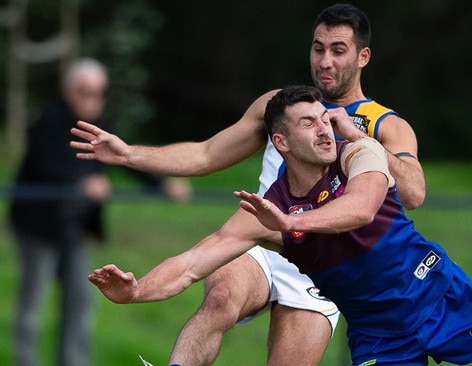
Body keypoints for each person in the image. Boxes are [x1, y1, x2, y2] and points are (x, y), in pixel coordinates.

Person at [88, 85, 472, 365]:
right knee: (220, 294)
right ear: (280, 142)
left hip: (440, 295)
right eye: (310, 123)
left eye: (327, 119)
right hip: (378, 333)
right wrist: (135, 291)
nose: (327, 128)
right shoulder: (267, 210)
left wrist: (291, 222)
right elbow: (193, 262)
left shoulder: (359, 152)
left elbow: (363, 209)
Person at [71, 4, 425, 366]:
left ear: (363, 56)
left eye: (338, 51)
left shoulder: (383, 125)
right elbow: (205, 155)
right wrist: (129, 155)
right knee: (219, 299)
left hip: (323, 269)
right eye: (318, 48)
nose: (324, 61)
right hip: (262, 241)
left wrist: (363, 142)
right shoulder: (280, 108)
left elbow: (414, 192)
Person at [8, 58, 190, 366]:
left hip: (77, 229)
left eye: (99, 92)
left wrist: (161, 185)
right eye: (85, 92)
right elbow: (44, 165)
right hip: (37, 228)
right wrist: (82, 183)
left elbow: (126, 157)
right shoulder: (49, 121)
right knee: (32, 302)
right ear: (68, 91)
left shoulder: (99, 124)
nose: (93, 100)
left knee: (80, 299)